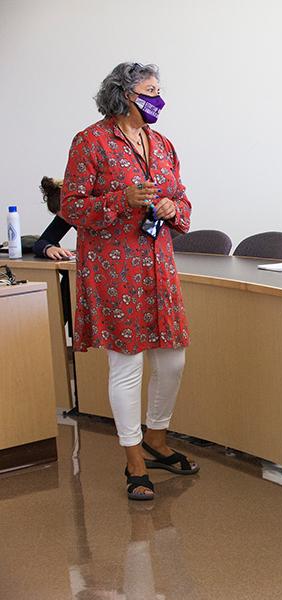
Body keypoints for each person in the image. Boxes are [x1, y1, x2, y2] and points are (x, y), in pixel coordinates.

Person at [60, 62, 198, 501]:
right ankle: (133, 458)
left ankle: (156, 437)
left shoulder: (162, 143)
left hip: (159, 265)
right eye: (149, 91)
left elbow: (181, 196)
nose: (159, 98)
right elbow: (72, 207)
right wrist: (122, 200)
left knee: (173, 358)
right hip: (114, 267)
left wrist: (174, 209)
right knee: (127, 363)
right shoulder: (91, 141)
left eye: (159, 90)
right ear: (124, 95)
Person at [34, 177, 76, 260]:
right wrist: (48, 248)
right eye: (63, 217)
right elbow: (40, 243)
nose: (69, 220)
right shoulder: (65, 219)